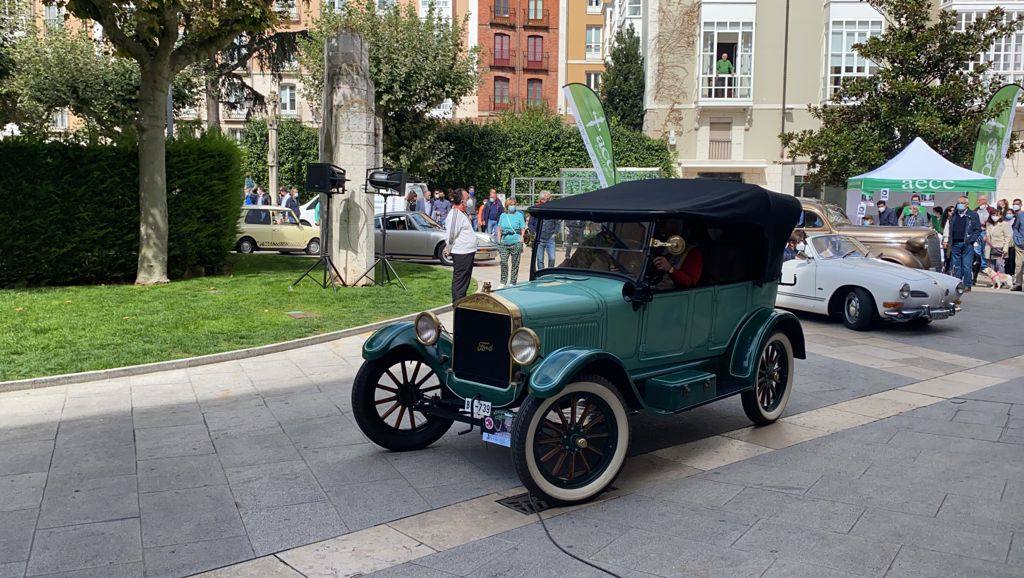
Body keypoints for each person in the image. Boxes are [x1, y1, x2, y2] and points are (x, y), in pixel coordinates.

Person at [943, 195, 982, 291]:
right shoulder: (954, 215)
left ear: (967, 204)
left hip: (967, 244)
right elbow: (949, 228)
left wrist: (971, 240)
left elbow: (977, 230)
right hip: (955, 243)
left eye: (962, 203)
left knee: (966, 265)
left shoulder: (973, 215)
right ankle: (958, 284)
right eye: (958, 203)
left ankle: (967, 285)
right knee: (956, 265)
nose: (959, 205)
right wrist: (947, 240)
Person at [444, 192, 477, 303]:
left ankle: (462, 304)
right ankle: (458, 305)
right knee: (460, 281)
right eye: (467, 198)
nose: (469, 201)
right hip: (461, 253)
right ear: (462, 201)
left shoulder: (463, 213)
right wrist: (448, 248)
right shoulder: (455, 214)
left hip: (468, 252)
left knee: (465, 281)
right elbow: (451, 234)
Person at [496, 198, 526, 287]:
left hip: (516, 242)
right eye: (510, 204)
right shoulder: (503, 215)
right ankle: (503, 281)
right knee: (504, 262)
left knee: (515, 263)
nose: (512, 206)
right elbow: (499, 229)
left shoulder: (519, 215)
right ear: (507, 206)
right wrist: (499, 240)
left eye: (514, 204)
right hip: (504, 242)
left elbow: (523, 228)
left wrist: (521, 239)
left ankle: (513, 282)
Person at [530, 191, 558, 269]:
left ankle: (550, 273)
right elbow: (530, 224)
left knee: (552, 258)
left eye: (549, 198)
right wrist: (534, 233)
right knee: (539, 260)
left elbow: (557, 223)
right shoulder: (536, 208)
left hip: (550, 238)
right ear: (542, 199)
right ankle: (541, 275)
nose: (550, 200)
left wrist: (555, 233)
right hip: (539, 239)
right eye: (548, 198)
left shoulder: (553, 209)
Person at [986, 209, 1012, 283]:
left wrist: (1005, 248)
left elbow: (1007, 237)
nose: (995, 217)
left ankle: (1002, 281)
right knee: (992, 266)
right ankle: (994, 282)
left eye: (997, 215)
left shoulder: (1005, 224)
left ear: (1000, 216)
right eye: (993, 215)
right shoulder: (989, 224)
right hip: (990, 248)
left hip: (1000, 247)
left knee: (999, 265)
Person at [1012, 198, 1024, 291]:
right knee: (1019, 264)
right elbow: (1015, 228)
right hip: (1020, 244)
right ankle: (1018, 284)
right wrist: (1017, 240)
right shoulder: (1020, 215)